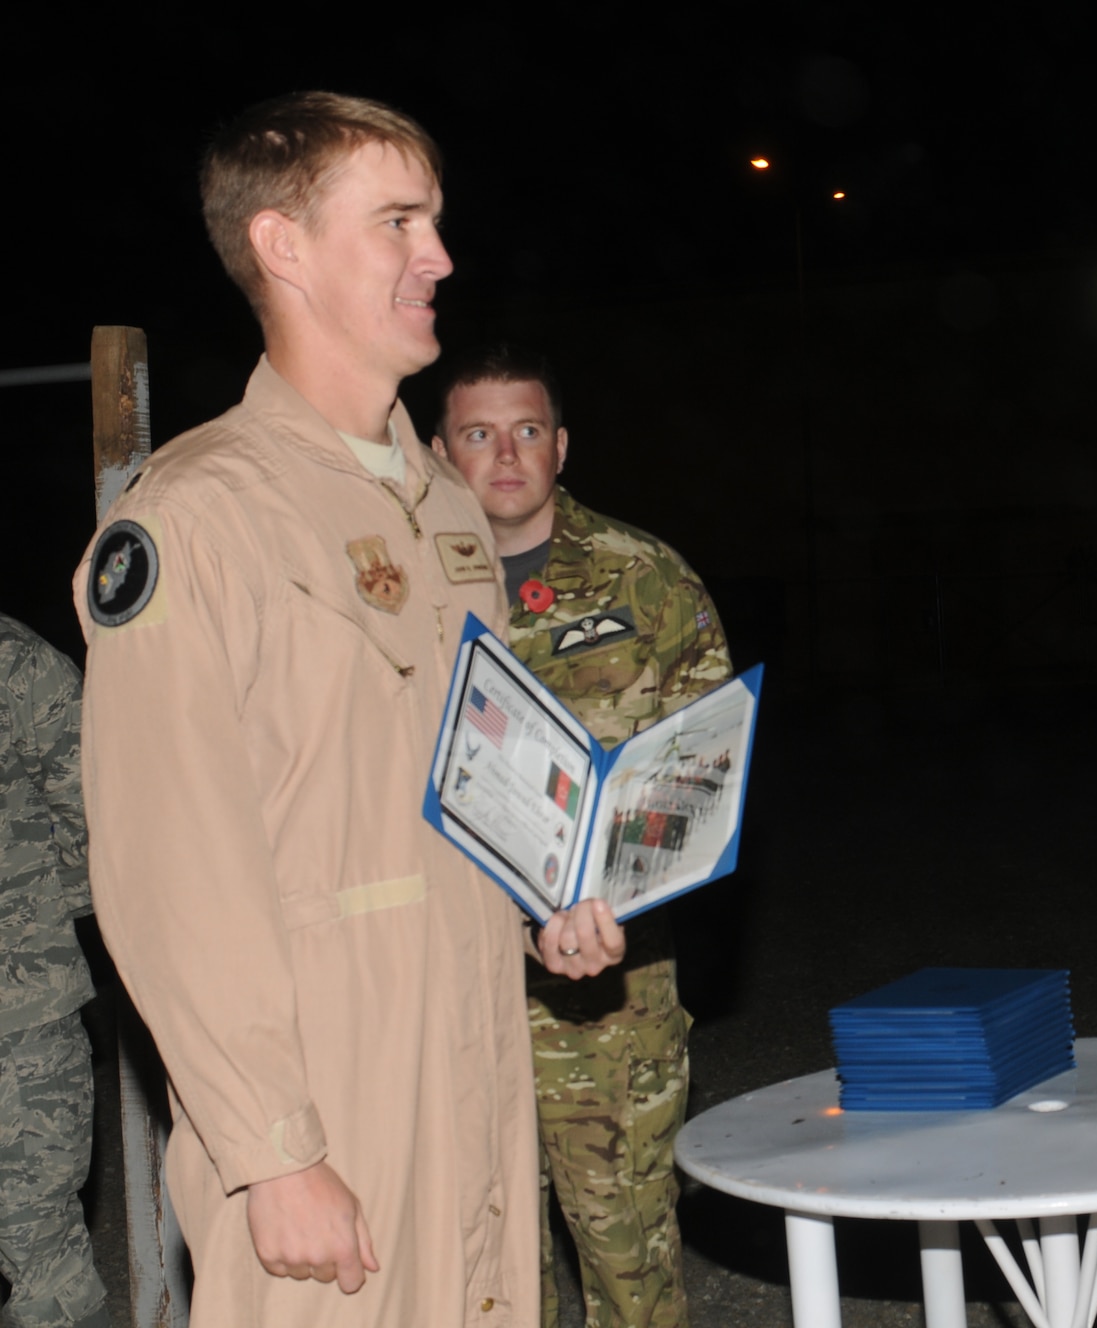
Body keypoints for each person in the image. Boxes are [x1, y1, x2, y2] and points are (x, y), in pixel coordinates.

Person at [71, 93, 624, 1328]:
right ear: (283, 247)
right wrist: (272, 1147)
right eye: (398, 222)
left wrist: (551, 886)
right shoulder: (199, 515)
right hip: (323, 1092)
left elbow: (460, 764)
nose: (438, 257)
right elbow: (170, 865)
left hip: (471, 1059)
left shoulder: (440, 503)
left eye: (433, 222)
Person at [432, 345, 730, 1328]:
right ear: (441, 451)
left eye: (526, 430)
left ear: (560, 446)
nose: (504, 454)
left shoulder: (643, 579)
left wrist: (609, 896)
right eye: (478, 433)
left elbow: (699, 769)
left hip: (607, 999)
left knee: (627, 1271)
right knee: (471, 1272)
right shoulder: (399, 597)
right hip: (448, 989)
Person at [0, 615, 108, 1328]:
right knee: (45, 1265)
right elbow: (91, 822)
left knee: (45, 1266)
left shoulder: (16, 663)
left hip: (20, 1021)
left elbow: (96, 814)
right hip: (21, 1011)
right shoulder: (15, 659)